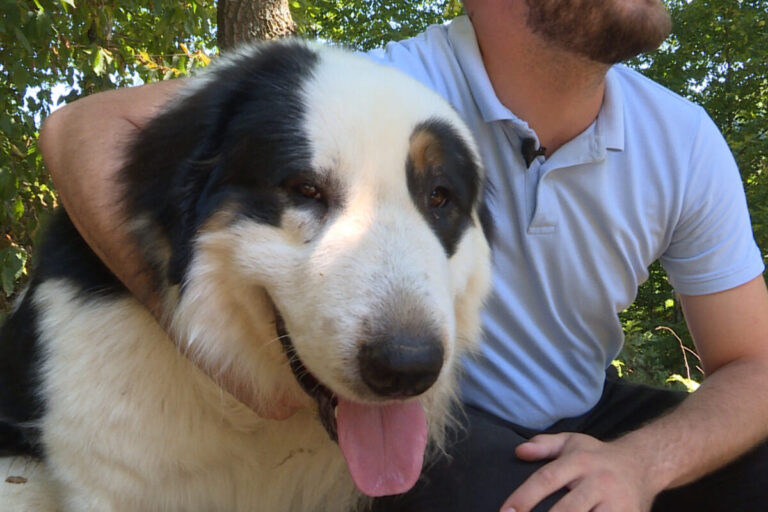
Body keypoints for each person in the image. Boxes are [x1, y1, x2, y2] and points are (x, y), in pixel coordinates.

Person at [39, 1, 768, 510]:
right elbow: (80, 128)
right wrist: (206, 342)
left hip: (589, 409)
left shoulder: (683, 140)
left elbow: (755, 365)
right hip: (438, 417)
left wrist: (643, 462)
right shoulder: (366, 93)